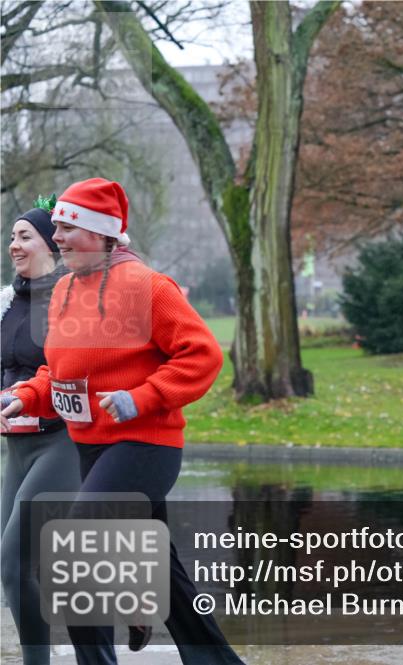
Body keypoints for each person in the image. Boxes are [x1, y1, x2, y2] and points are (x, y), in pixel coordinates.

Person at [0, 178, 246, 664]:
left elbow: (202, 355)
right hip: (91, 447)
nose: (59, 238)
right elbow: (60, 370)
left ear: (100, 233)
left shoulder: (147, 286)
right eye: (58, 228)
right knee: (164, 574)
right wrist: (26, 396)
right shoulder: (66, 289)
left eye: (69, 228)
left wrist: (143, 397)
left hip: (145, 446)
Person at [1, 199, 81, 665]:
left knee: (14, 560)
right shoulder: (6, 302)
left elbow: (70, 371)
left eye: (24, 236)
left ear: (51, 244)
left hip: (62, 440)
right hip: (17, 446)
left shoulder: (71, 300)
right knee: (13, 567)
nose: (14, 245)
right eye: (12, 237)